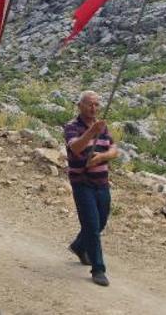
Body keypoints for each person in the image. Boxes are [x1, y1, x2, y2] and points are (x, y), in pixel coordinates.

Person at [64, 91, 118, 287]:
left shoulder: (102, 127)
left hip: (102, 182)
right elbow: (76, 148)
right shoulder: (72, 126)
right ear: (80, 106)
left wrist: (102, 157)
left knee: (100, 222)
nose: (93, 108)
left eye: (96, 105)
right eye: (89, 105)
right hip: (82, 183)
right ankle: (98, 269)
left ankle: (79, 246)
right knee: (92, 226)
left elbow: (114, 148)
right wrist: (91, 133)